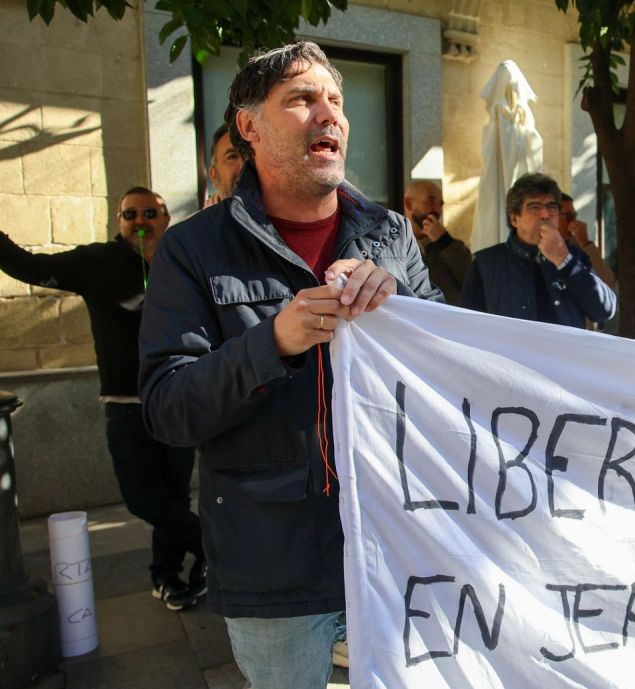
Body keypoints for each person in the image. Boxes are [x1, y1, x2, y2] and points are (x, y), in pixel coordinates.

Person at [138, 42, 442, 689]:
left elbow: (446, 362)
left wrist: (400, 305)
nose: (327, 114)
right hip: (272, 562)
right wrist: (273, 340)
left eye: (335, 100)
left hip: (394, 546)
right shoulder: (192, 249)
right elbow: (167, 406)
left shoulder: (390, 232)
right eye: (302, 99)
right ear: (249, 127)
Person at [0, 187, 205, 611]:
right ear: (119, 221)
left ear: (166, 218)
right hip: (125, 404)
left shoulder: (182, 261)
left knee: (173, 496)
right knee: (143, 499)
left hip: (177, 399)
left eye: (151, 212)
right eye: (131, 214)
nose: (140, 221)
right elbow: (30, 267)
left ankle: (167, 578)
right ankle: (217, 549)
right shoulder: (97, 262)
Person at [460, 173, 616, 328]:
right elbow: (466, 326)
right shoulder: (486, 262)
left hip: (563, 352)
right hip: (508, 353)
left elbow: (604, 311)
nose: (546, 215)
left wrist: (564, 261)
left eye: (552, 207)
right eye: (535, 207)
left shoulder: (573, 255)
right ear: (514, 218)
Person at [403, 179, 471, 305]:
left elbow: (471, 279)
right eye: (430, 201)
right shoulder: (394, 242)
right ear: (408, 204)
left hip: (445, 319)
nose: (437, 210)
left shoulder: (449, 245)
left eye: (440, 204)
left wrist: (445, 241)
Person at [558, 193, 616, 289]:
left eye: (574, 215)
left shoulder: (577, 246)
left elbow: (607, 283)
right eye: (569, 216)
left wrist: (586, 244)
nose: (573, 221)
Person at [206, 123, 243, 206]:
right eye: (232, 156)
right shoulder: (199, 219)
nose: (244, 165)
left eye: (251, 155)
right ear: (213, 175)